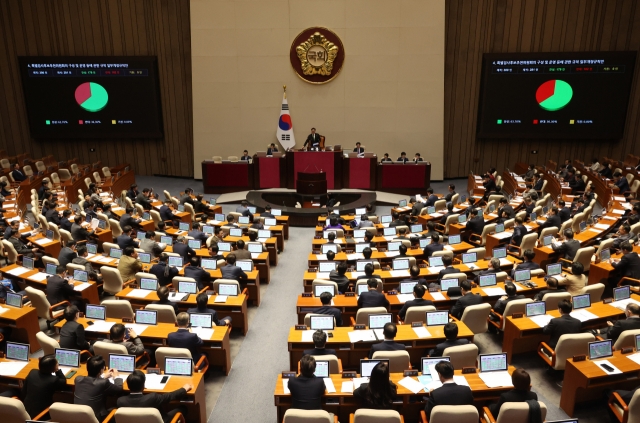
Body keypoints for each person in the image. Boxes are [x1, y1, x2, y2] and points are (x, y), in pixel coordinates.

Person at [117, 370, 192, 422]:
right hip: (163, 421)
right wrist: (184, 389)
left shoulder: (120, 401)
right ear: (143, 385)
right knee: (183, 408)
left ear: (128, 386)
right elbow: (170, 396)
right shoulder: (152, 398)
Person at [74, 355, 123, 420]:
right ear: (101, 370)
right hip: (96, 418)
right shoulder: (103, 382)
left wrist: (103, 376)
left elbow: (93, 383)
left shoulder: (78, 379)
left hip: (77, 417)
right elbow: (119, 389)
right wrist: (117, 377)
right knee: (115, 409)